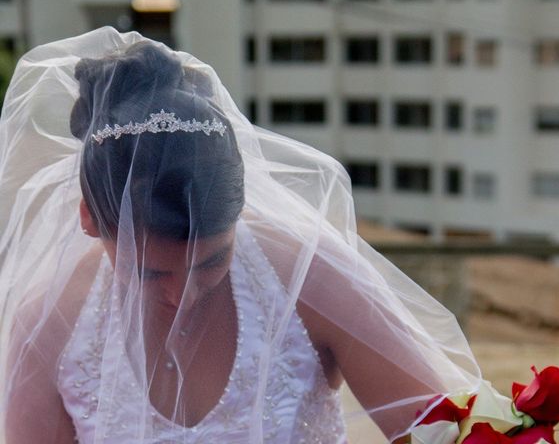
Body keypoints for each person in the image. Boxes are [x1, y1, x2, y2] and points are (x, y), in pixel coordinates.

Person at [0, 28, 482, 443]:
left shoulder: (310, 277)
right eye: (149, 271)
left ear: (240, 210)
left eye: (211, 261)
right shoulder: (49, 325)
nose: (181, 294)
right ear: (89, 219)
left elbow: (438, 430)